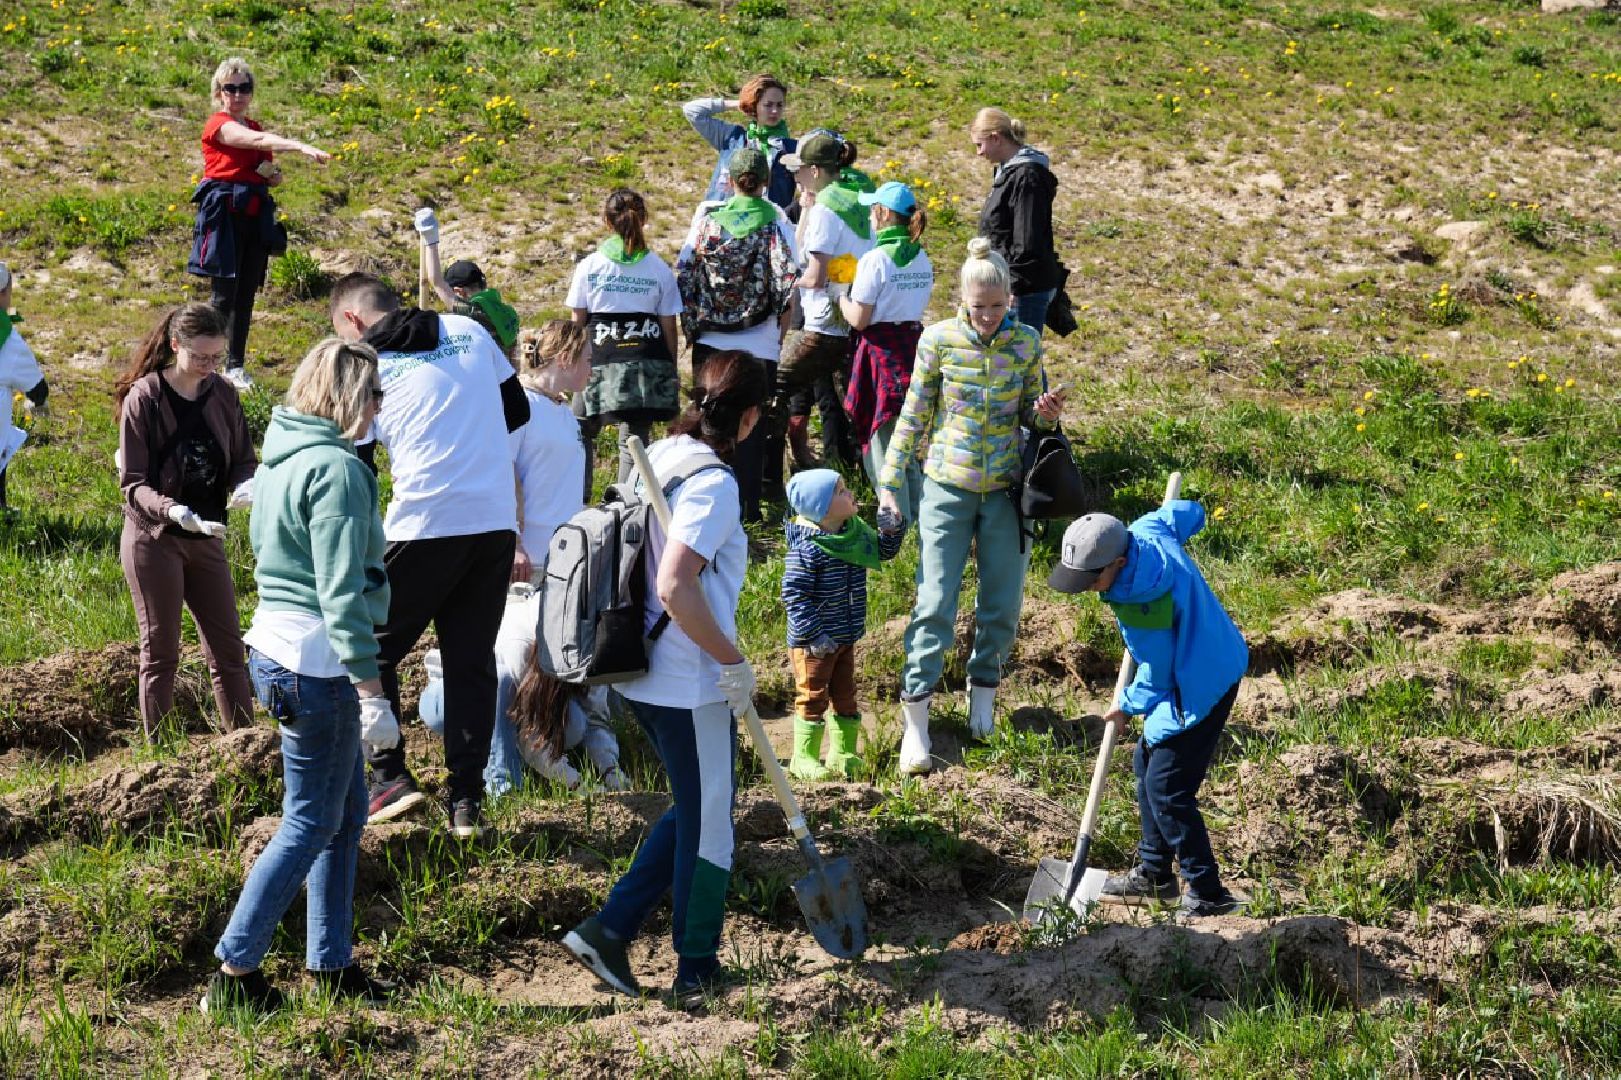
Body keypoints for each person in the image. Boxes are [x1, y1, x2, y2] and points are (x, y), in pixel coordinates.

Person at [563, 351, 768, 1001]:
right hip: (688, 681)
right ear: (750, 417)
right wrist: (732, 661)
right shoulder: (714, 484)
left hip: (637, 671)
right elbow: (675, 584)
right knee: (712, 825)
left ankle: (609, 929)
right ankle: (696, 969)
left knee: (696, 807)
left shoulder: (663, 454)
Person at [204, 337, 397, 1015]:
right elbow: (341, 592)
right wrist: (372, 690)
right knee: (312, 820)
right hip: (319, 662)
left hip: (276, 649)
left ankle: (331, 963)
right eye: (374, 394)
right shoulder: (338, 471)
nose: (378, 407)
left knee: (343, 816)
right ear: (349, 396)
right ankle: (234, 972)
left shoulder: (281, 458)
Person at [330, 272, 530, 839]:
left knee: (366, 649)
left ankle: (388, 776)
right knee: (470, 661)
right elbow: (517, 411)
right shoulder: (469, 329)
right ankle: (467, 801)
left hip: (424, 521)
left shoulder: (365, 363)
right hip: (494, 521)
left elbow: (359, 464)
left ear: (351, 320)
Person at [877, 239, 1065, 775]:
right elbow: (914, 413)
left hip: (1005, 489)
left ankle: (982, 701)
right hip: (946, 486)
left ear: (1010, 299)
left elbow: (1032, 419)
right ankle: (916, 723)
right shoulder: (938, 341)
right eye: (978, 306)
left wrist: (1046, 413)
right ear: (962, 299)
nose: (987, 316)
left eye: (997, 305)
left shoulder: (1026, 343)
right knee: (935, 601)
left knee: (1001, 602)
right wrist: (890, 482)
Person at [421, 321, 627, 797]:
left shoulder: (563, 413)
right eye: (588, 359)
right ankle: (504, 769)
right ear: (564, 358)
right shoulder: (519, 406)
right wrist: (512, 540)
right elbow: (502, 472)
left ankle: (556, 746)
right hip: (526, 561)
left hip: (564, 561)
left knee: (552, 671)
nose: (592, 369)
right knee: (511, 661)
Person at [1046, 507, 1249, 918]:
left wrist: (1125, 704)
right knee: (1146, 764)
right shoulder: (1146, 529)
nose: (1086, 588)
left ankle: (1208, 893)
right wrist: (1193, 517)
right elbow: (1185, 514)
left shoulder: (1143, 602)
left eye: (1092, 579)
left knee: (1168, 789)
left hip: (1198, 682)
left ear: (1120, 562)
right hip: (1209, 653)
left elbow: (1158, 674)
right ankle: (1155, 875)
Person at [115, 303, 257, 739]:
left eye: (217, 357)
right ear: (175, 345)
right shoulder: (146, 397)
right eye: (200, 356)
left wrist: (246, 485)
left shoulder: (224, 394)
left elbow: (243, 459)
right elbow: (133, 482)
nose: (209, 366)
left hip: (207, 536)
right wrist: (173, 510)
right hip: (155, 538)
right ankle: (160, 752)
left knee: (229, 650)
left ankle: (245, 743)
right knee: (161, 652)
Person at [188, 57, 330, 390]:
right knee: (223, 295)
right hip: (225, 214)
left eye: (244, 88)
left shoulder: (253, 126)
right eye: (230, 88)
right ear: (219, 93)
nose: (238, 95)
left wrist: (272, 175)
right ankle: (205, 361)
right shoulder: (220, 124)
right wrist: (300, 146)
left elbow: (264, 165)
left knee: (246, 293)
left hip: (253, 213)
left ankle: (235, 366)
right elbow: (253, 142)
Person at [675, 148, 799, 521]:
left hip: (710, 340)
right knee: (751, 429)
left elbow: (685, 271)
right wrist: (780, 332)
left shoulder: (707, 218)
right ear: (766, 181)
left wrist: (693, 323)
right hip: (759, 341)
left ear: (729, 180)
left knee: (708, 421)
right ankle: (744, 512)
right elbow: (788, 281)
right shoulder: (777, 220)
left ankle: (699, 502)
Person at [780, 469, 902, 781]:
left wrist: (890, 530)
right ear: (822, 509)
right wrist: (814, 634)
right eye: (841, 491)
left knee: (845, 694)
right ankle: (803, 758)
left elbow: (882, 551)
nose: (850, 494)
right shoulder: (807, 549)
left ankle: (842, 754)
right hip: (814, 643)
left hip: (845, 635)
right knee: (813, 694)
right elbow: (794, 595)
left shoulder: (852, 534)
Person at [568, 189, 683, 484]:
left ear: (606, 221)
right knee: (633, 441)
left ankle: (579, 499)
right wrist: (671, 368)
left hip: (596, 358)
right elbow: (669, 326)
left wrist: (570, 362)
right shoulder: (659, 268)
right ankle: (626, 502)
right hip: (645, 363)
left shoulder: (590, 266)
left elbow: (577, 322)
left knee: (579, 431)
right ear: (644, 219)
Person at [778, 132, 874, 470]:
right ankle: (859, 473)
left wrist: (783, 281)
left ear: (816, 171)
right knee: (851, 405)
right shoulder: (857, 199)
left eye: (800, 169)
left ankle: (770, 477)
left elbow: (815, 277)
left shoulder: (825, 211)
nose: (795, 175)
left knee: (774, 385)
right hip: (852, 319)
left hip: (823, 324)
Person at [839, 181, 932, 528]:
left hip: (879, 355)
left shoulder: (875, 260)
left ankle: (895, 525)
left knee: (881, 442)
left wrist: (840, 299)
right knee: (906, 442)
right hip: (913, 350)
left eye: (872, 210)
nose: (869, 217)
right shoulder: (921, 256)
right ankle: (920, 521)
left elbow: (860, 319)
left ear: (884, 214)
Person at [971, 107, 1061, 338]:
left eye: (980, 145)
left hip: (1025, 290)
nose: (979, 153)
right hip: (1012, 284)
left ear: (996, 138)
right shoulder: (1010, 173)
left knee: (1021, 354)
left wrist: (1014, 287)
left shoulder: (1027, 176)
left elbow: (1027, 239)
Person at [412, 210, 521, 356]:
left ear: (459, 292)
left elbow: (436, 281)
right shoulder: (502, 309)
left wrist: (430, 236)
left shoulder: (472, 311)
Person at [683, 74, 797, 209]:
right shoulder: (732, 137)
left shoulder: (791, 148)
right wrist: (739, 104)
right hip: (724, 215)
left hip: (768, 218)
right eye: (768, 105)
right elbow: (692, 111)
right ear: (754, 105)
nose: (774, 111)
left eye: (779, 105)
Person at [0, 261, 48, 515]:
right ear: (4, 293)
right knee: (3, 444)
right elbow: (38, 388)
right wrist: (38, 404)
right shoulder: (9, 343)